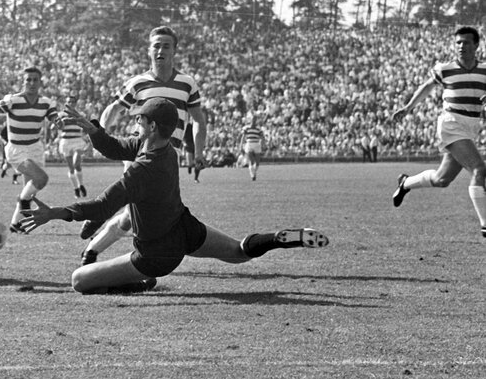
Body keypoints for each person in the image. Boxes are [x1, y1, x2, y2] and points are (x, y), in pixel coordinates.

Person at [19, 98, 329, 294]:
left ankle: (139, 283)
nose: (135, 122)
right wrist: (93, 130)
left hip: (155, 254)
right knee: (238, 252)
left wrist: (54, 213)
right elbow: (115, 147)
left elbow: (102, 206)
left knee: (79, 281)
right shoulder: (165, 149)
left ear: (152, 126)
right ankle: (279, 238)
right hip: (184, 229)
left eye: (140, 120)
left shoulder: (143, 169)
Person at [78, 26, 209, 265]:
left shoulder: (187, 84)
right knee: (135, 209)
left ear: (174, 51)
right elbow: (113, 108)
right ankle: (94, 248)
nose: (160, 50)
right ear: (149, 51)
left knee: (133, 213)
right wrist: (102, 135)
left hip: (169, 157)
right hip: (141, 151)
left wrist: (199, 151)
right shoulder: (138, 83)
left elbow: (199, 120)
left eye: (166, 45)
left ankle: (97, 232)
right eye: (156, 45)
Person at [391, 26, 486, 238]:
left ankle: (405, 183)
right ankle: (485, 224)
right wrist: (408, 108)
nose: (461, 46)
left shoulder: (484, 71)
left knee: (442, 179)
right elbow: (426, 87)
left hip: (470, 127)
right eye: (458, 43)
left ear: (477, 45)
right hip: (451, 123)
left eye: (466, 42)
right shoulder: (445, 68)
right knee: (479, 169)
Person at [0, 66, 60, 233]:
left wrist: (59, 121)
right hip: (16, 149)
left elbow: (54, 117)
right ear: (23, 82)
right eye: (28, 80)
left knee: (30, 188)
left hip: (35, 147)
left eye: (35, 79)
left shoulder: (46, 103)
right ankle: (22, 201)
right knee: (41, 179)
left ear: (40, 82)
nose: (32, 83)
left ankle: (15, 224)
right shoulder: (13, 100)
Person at [57, 93, 89, 198]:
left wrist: (86, 135)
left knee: (76, 164)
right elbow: (56, 127)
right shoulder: (61, 115)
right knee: (71, 168)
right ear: (66, 103)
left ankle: (81, 185)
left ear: (75, 103)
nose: (70, 103)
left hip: (77, 141)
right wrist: (58, 124)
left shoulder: (80, 114)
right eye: (69, 102)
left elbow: (85, 126)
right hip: (66, 142)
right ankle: (76, 189)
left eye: (72, 102)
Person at [239, 115, 266, 181]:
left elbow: (262, 137)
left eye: (255, 119)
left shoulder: (258, 129)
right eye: (253, 119)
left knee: (257, 163)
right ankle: (252, 175)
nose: (254, 121)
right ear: (250, 120)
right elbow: (243, 137)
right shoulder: (246, 128)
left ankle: (253, 172)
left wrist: (263, 144)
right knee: (251, 161)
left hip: (256, 144)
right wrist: (241, 145)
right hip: (249, 144)